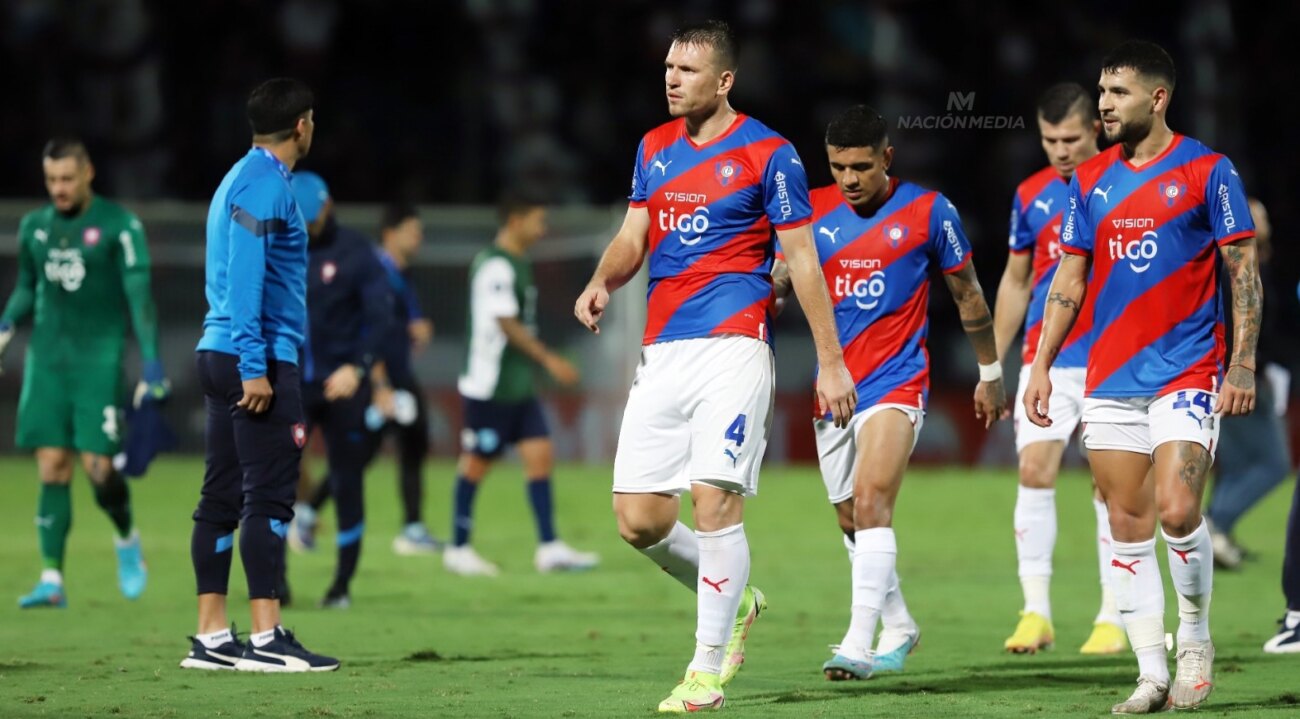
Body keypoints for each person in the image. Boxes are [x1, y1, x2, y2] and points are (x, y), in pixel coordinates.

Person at [573, 20, 857, 712]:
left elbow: (802, 260)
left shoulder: (770, 153)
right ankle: (737, 596)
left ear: (724, 80)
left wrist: (830, 362)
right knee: (637, 518)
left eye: (688, 70)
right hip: (663, 348)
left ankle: (703, 673)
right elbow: (634, 235)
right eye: (668, 67)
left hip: (734, 346)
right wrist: (603, 281)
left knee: (713, 502)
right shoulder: (654, 148)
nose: (671, 79)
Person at [1024, 41, 1259, 713]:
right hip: (1108, 378)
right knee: (1126, 523)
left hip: (1185, 370)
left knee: (1179, 510)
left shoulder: (1208, 171)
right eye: (1101, 91)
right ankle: (1151, 672)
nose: (1103, 103)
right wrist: (1040, 364)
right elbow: (1069, 277)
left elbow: (1243, 268)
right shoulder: (1089, 179)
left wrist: (1240, 361)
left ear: (1157, 98)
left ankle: (1194, 638)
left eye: (1116, 93)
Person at [772, 105, 1005, 680]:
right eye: (837, 167)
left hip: (898, 381)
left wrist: (991, 371)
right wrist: (765, 291)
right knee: (852, 519)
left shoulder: (929, 212)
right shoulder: (811, 211)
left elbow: (968, 294)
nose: (848, 179)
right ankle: (901, 625)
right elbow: (783, 273)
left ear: (887, 158)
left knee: (873, 499)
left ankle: (857, 642)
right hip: (833, 386)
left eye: (860, 166)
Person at [182, 77, 337, 672]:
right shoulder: (266, 187)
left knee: (220, 496)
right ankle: (267, 639)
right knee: (268, 496)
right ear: (302, 124)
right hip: (257, 359)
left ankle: (212, 637)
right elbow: (247, 278)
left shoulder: (235, 179)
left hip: (220, 349)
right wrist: (255, 366)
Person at [0, 137, 165, 608]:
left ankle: (126, 537)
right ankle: (52, 578)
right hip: (47, 360)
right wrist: (5, 326)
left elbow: (140, 298)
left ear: (88, 172)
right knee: (52, 466)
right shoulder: (34, 227)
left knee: (98, 470)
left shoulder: (120, 226)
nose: (59, 188)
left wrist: (152, 363)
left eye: (67, 178)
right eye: (51, 179)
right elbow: (27, 287)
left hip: (99, 360)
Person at [992, 83, 1125, 654]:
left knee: (1108, 487)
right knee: (1035, 473)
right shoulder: (1031, 195)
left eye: (1071, 138)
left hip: (1114, 360)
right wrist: (991, 364)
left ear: (1095, 130)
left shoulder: (1127, 183)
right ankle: (1036, 613)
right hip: (1047, 359)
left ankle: (1113, 615)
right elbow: (1017, 281)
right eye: (1050, 141)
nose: (1061, 151)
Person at [446, 195, 598, 577]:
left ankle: (549, 546)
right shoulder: (495, 265)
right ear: (515, 220)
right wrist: (549, 360)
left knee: (540, 455)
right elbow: (506, 323)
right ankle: (459, 548)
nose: (542, 229)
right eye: (537, 221)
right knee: (477, 464)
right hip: (490, 385)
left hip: (517, 385)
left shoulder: (518, 263)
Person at [286, 171, 393, 608]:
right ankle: (275, 586)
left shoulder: (356, 252)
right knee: (275, 484)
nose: (307, 225)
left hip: (344, 388)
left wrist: (359, 367)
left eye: (312, 217)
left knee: (348, 484)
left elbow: (383, 319)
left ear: (327, 206)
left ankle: (341, 587)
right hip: (291, 385)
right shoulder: (280, 245)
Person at [1204, 198, 1292, 568]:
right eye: (1255, 216)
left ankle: (1219, 535)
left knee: (1238, 464)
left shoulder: (1263, 264)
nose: (1263, 221)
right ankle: (1215, 523)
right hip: (1237, 376)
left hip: (1251, 372)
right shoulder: (1232, 268)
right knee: (1275, 464)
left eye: (1264, 214)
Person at [376, 203, 442, 555]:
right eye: (413, 231)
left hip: (399, 374)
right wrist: (379, 382)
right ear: (391, 233)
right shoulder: (378, 273)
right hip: (380, 374)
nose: (419, 239)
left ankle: (413, 527)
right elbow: (372, 328)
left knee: (414, 443)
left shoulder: (401, 273)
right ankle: (307, 515)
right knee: (358, 452)